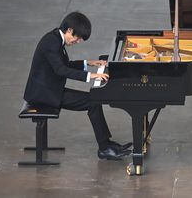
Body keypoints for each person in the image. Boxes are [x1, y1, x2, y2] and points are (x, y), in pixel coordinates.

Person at [23, 11, 132, 160]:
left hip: (49, 89)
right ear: (69, 30)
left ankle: (107, 145)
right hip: (44, 94)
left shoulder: (55, 39)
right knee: (93, 102)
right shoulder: (51, 43)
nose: (78, 41)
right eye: (77, 37)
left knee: (93, 101)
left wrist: (89, 63)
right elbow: (61, 70)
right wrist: (91, 75)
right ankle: (105, 148)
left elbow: (65, 65)